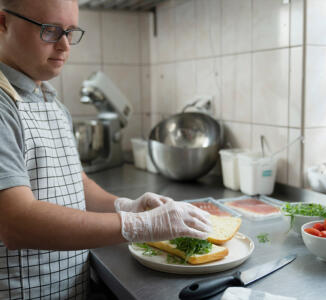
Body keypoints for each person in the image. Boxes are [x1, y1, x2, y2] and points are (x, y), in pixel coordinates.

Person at [0, 0, 211, 299]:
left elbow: (76, 182)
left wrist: (124, 205)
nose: (64, 46)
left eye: (70, 32)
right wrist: (135, 225)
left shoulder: (51, 101)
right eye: (50, 30)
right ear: (3, 22)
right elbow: (16, 223)